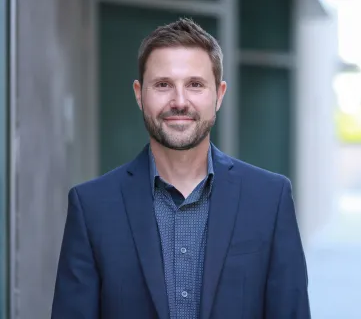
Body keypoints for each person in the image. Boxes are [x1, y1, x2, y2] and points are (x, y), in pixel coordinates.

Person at [51, 18, 310, 319]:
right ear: (139, 94)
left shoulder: (270, 199)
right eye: (163, 85)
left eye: (195, 85)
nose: (179, 101)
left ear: (219, 95)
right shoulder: (91, 207)